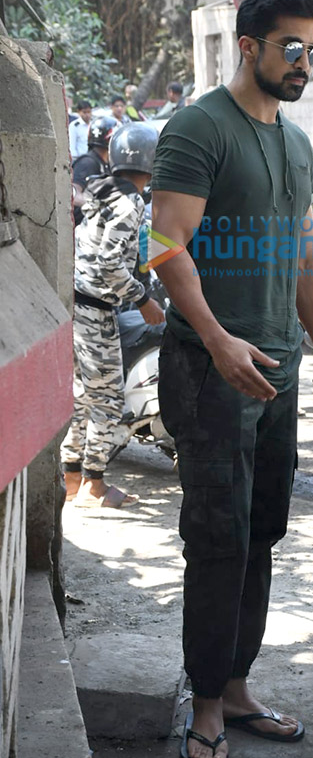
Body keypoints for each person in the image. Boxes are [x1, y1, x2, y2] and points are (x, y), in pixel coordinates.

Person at [150, 0, 313, 758]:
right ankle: (202, 708)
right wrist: (219, 340)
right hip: (210, 369)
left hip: (277, 371)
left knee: (262, 532)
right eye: (291, 47)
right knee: (218, 539)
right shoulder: (200, 127)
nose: (304, 63)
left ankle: (234, 688)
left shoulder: (297, 145)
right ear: (249, 46)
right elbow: (162, 246)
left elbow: (303, 257)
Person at [61, 122, 165, 508]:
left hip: (78, 304)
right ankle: (94, 484)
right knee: (107, 400)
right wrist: (143, 300)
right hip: (97, 309)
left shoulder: (104, 192)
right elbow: (109, 262)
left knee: (82, 399)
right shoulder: (130, 202)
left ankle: (71, 478)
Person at [71, 116, 118, 226]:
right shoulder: (88, 163)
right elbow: (73, 195)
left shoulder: (107, 163)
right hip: (85, 228)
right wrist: (103, 209)